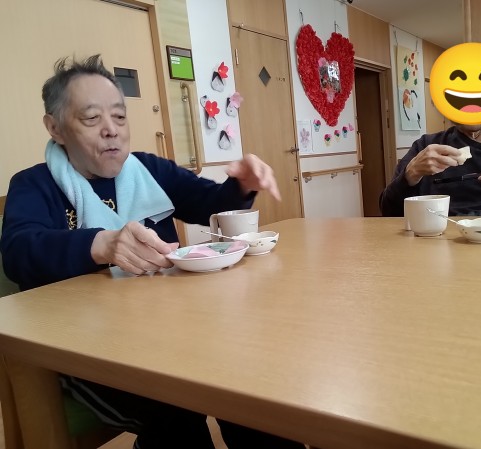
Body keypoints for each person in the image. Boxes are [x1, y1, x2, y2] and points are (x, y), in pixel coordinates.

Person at [0, 55, 304, 449]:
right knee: (177, 408)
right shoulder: (34, 184)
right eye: (91, 118)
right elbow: (18, 252)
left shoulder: (146, 170)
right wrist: (101, 243)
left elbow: (207, 203)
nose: (112, 130)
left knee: (248, 382)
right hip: (84, 351)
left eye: (119, 117)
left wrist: (241, 185)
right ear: (55, 127)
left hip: (166, 332)